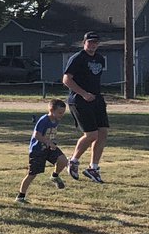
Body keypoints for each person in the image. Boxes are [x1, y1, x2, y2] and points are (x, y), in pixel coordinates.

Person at [63, 31, 108, 184]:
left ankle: (93, 168)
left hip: (97, 99)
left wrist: (95, 95)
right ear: (84, 43)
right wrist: (83, 94)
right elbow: (66, 79)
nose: (93, 45)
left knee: (102, 132)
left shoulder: (100, 59)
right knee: (91, 134)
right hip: (80, 100)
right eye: (90, 42)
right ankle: (74, 161)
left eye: (95, 42)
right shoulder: (77, 58)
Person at [16, 99, 70, 203]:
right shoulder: (44, 120)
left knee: (63, 160)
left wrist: (52, 142)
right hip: (38, 150)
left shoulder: (56, 120)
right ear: (51, 110)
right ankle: (20, 196)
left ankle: (55, 176)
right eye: (59, 112)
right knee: (32, 174)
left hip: (49, 148)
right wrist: (48, 142)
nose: (61, 115)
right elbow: (37, 135)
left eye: (63, 112)